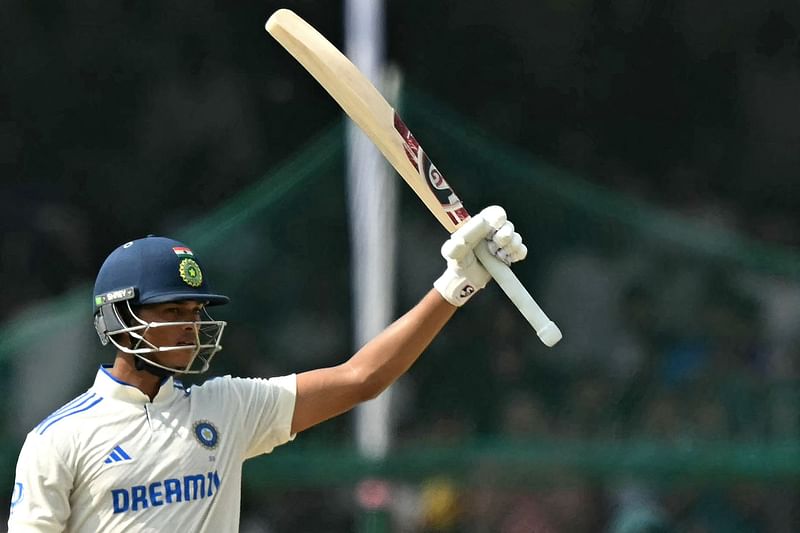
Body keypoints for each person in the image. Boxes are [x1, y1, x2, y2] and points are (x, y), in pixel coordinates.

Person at [7, 205, 528, 532]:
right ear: (118, 318)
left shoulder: (225, 406)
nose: (190, 327)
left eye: (195, 313)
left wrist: (457, 285)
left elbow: (361, 378)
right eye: (171, 312)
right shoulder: (58, 440)